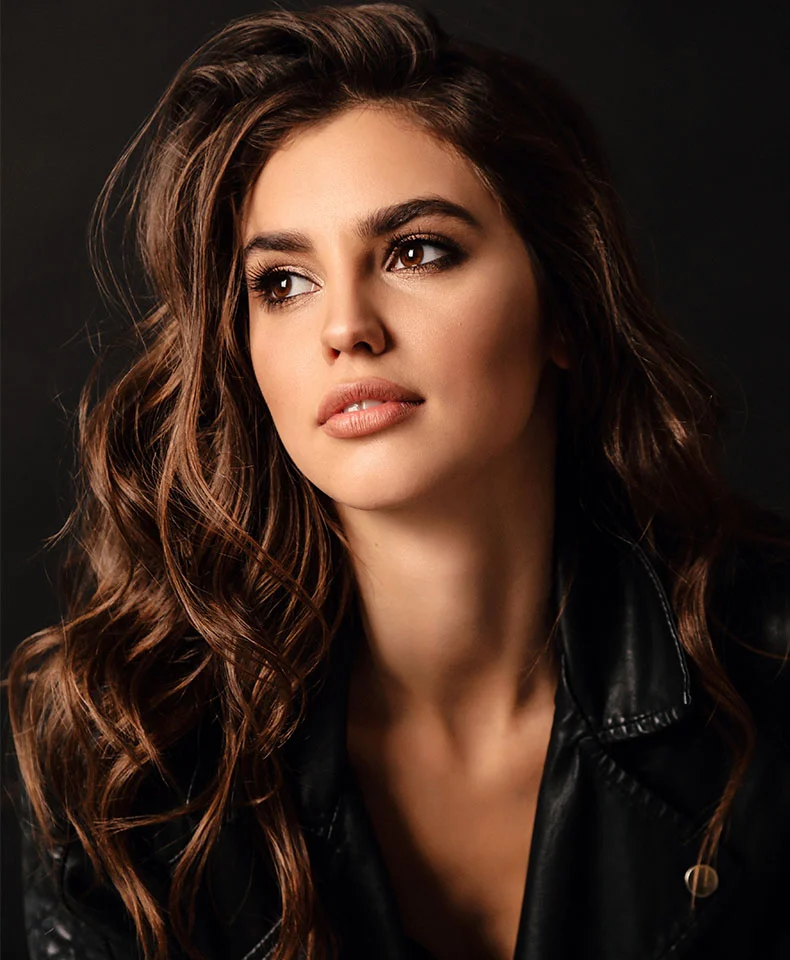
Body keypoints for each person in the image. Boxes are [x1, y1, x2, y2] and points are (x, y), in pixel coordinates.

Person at [7, 3, 790, 959]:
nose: (346, 327)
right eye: (282, 282)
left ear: (566, 306)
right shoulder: (129, 746)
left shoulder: (769, 668)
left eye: (416, 251)